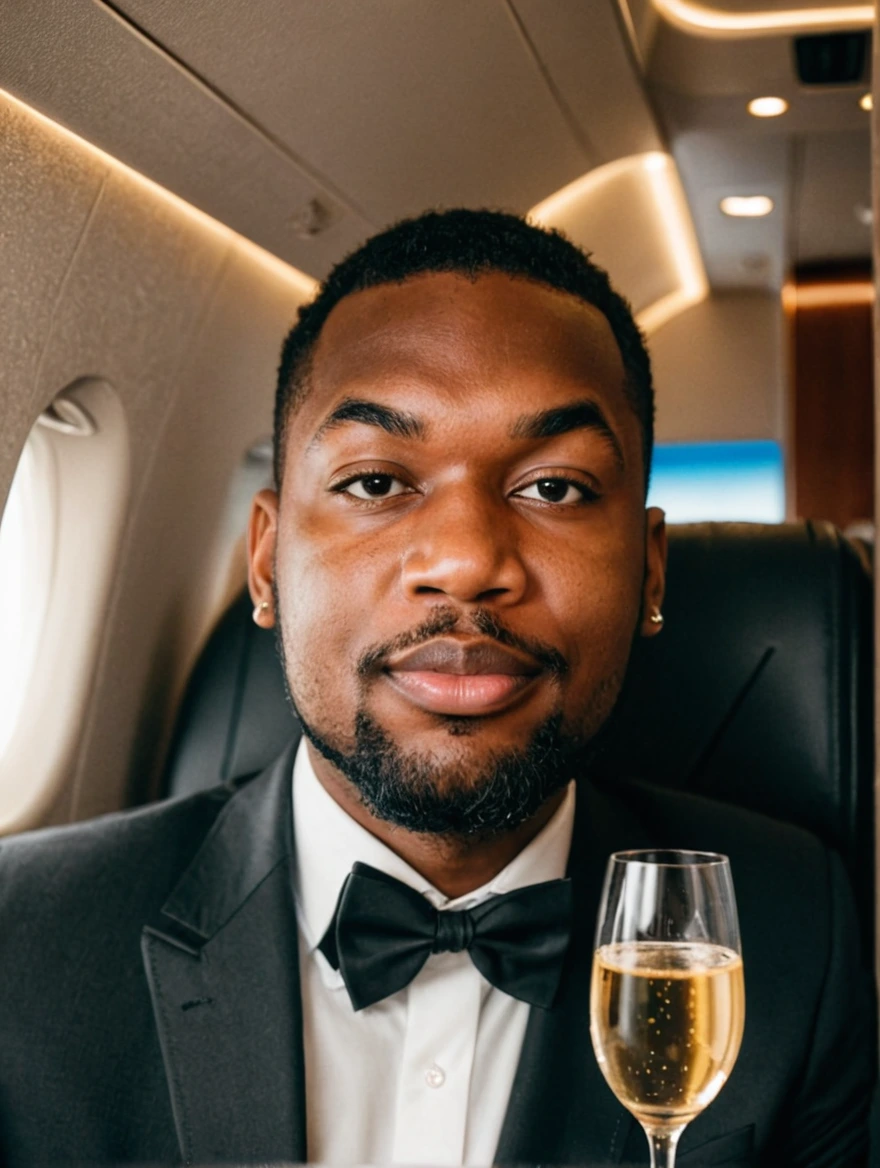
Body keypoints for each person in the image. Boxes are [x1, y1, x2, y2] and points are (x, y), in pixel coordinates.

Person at [0, 209, 873, 1167]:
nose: (464, 562)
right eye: (376, 482)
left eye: (555, 488)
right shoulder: (24, 946)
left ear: (651, 573)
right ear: (266, 561)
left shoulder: (800, 932)